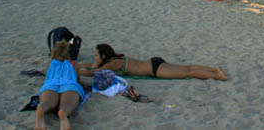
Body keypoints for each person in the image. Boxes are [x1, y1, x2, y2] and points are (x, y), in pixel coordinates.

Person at [78, 44, 228, 81]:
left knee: (188, 73)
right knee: (187, 67)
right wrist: (77, 65)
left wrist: (75, 70)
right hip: (154, 62)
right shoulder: (114, 60)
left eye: (97, 55)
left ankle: (217, 76)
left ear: (104, 56)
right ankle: (214, 69)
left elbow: (91, 72)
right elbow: (92, 66)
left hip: (155, 69)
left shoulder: (111, 64)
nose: (95, 58)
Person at [35, 40, 86, 130]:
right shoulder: (73, 64)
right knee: (66, 106)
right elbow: (77, 81)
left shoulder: (50, 64)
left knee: (46, 103)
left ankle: (41, 110)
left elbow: (46, 79)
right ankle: (63, 113)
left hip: (51, 84)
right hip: (69, 85)